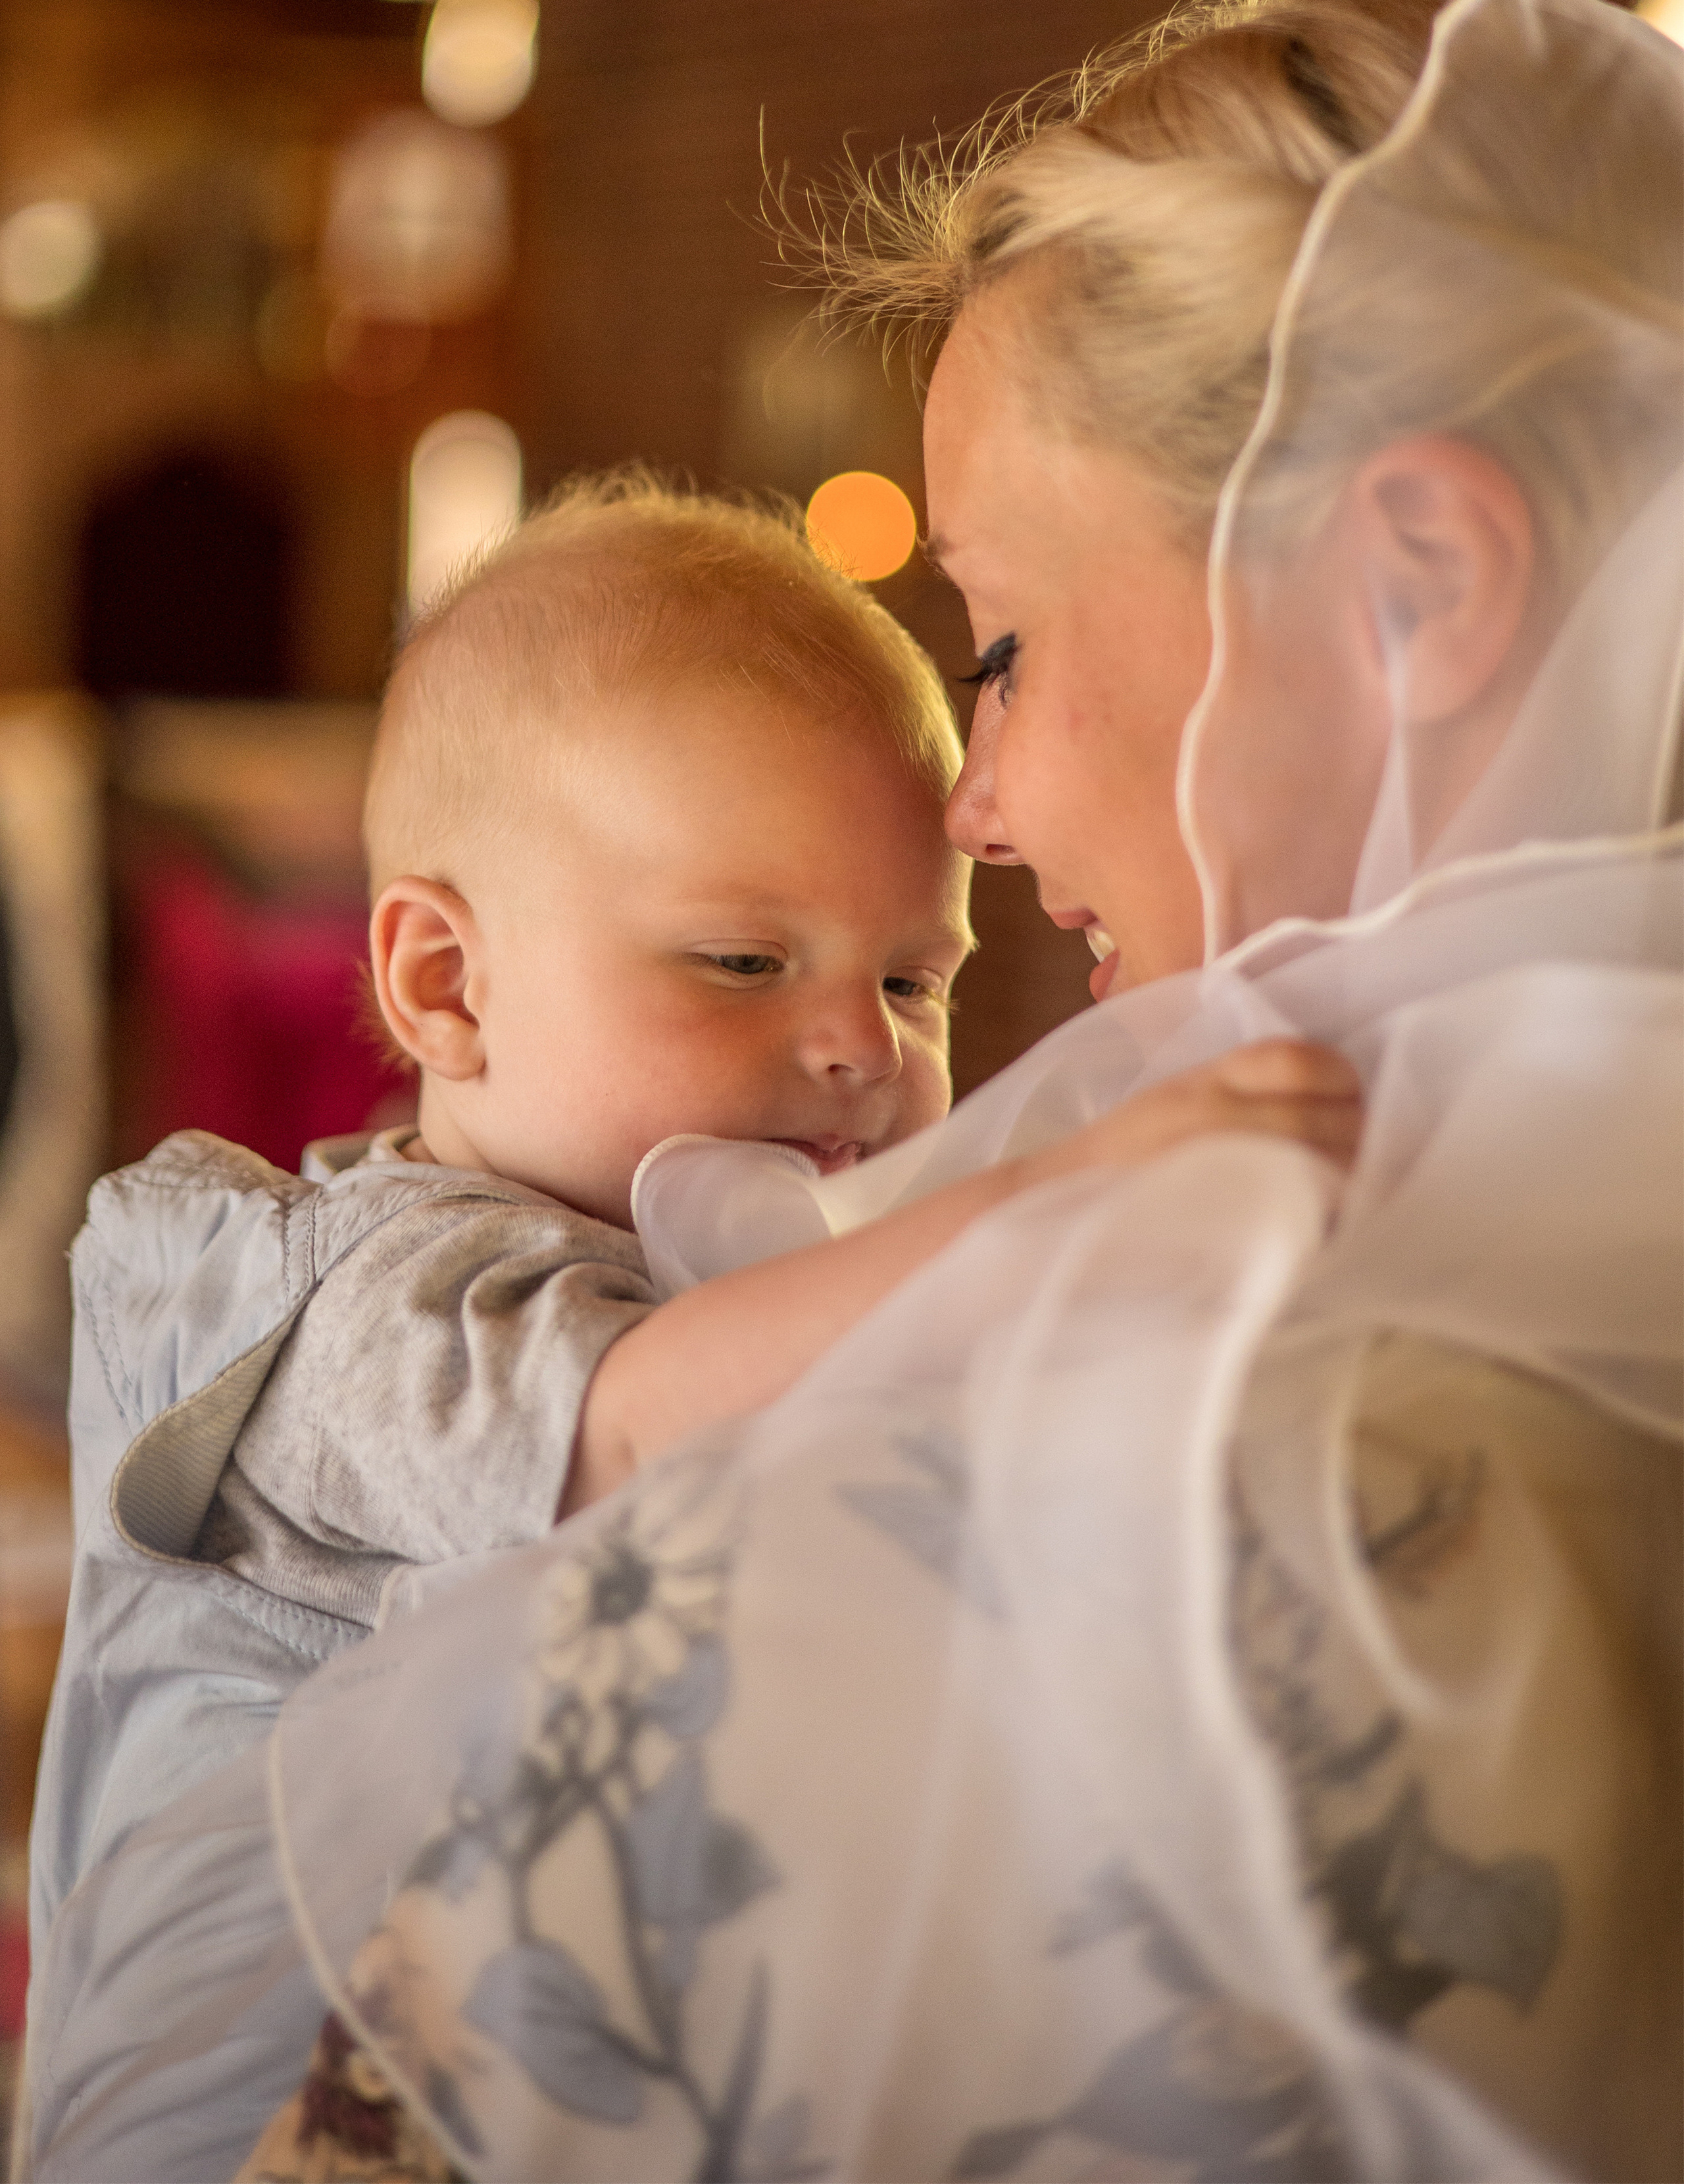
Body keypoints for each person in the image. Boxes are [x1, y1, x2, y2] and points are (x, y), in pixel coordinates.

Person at [22, 0, 1681, 2184]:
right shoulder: (347, 1273)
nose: (979, 805)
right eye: (737, 954)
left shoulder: (1218, 1361)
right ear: (436, 983)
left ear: (1413, 580)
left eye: (999, 643)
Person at [26, 473, 1358, 2049]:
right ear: (446, 983)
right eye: (743, 961)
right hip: (249, 2096)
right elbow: (635, 1433)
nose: (861, 1047)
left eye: (915, 980)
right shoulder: (353, 1307)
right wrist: (1060, 1207)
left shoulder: (743, 1272)